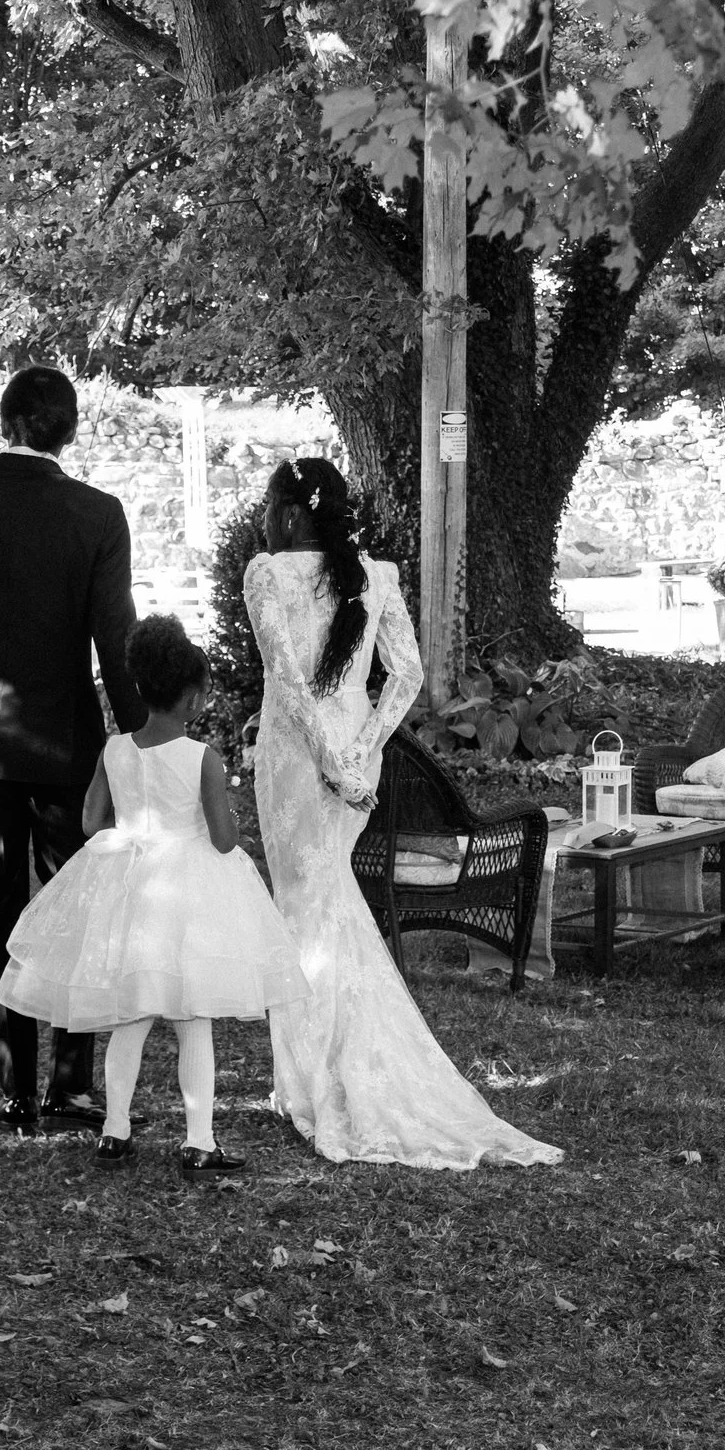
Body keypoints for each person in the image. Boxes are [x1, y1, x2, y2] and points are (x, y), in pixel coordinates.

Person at [244, 458, 563, 1170]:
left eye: (268, 506)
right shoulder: (377, 575)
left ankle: (318, 1082)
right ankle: (316, 1073)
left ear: (292, 513)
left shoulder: (266, 573)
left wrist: (331, 758)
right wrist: (362, 748)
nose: (263, 520)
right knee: (326, 904)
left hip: (299, 761)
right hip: (352, 755)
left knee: (304, 906)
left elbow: (287, 681)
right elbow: (408, 676)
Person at [0, 367, 148, 1135]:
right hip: (63, 738)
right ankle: (70, 1085)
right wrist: (143, 731)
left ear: (5, 420)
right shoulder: (99, 514)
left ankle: (14, 1086)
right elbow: (116, 637)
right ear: (70, 431)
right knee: (71, 901)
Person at [0, 616, 308, 1175]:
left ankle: (114, 1132)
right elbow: (222, 838)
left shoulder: (115, 749)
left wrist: (134, 824)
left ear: (139, 687)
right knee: (194, 1021)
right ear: (193, 698)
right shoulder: (202, 758)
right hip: (189, 896)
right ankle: (200, 1142)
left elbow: (91, 822)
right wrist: (226, 810)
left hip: (132, 890)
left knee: (130, 1019)